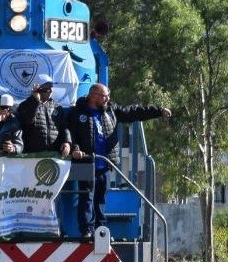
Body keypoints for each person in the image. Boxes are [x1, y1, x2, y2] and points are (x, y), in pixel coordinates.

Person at [67, 83, 171, 238]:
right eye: (104, 96)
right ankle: (86, 231)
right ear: (93, 95)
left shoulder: (111, 110)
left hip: (105, 163)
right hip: (85, 162)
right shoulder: (77, 112)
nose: (107, 99)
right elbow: (70, 133)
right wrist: (75, 148)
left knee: (101, 198)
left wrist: (157, 111)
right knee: (86, 196)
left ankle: (100, 230)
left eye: (108, 96)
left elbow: (133, 112)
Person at [16, 74, 72, 157]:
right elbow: (28, 121)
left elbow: (64, 127)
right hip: (33, 154)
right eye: (47, 89)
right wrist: (35, 101)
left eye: (51, 89)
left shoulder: (57, 106)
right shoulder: (25, 105)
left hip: (54, 153)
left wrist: (67, 142)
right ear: (38, 90)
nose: (50, 91)